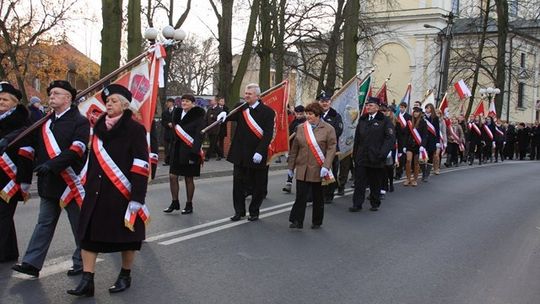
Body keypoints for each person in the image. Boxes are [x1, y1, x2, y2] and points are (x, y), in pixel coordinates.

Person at [67, 84, 149, 297]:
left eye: (113, 101)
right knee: (88, 236)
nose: (109, 104)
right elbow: (92, 160)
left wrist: (137, 198)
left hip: (122, 193)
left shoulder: (135, 129)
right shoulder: (98, 128)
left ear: (124, 104)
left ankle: (125, 274)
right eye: (107, 101)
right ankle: (87, 281)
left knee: (127, 238)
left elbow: (141, 164)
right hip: (96, 192)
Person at [12, 80, 89, 277]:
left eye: (56, 93)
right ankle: (32, 263)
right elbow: (31, 143)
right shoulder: (44, 122)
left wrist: (51, 165)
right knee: (44, 223)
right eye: (50, 93)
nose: (51, 96)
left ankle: (82, 262)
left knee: (78, 224)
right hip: (49, 183)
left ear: (68, 98)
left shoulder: (80, 121)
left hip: (70, 183)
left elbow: (77, 149)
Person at [219, 83, 275, 222]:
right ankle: (239, 211)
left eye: (249, 94)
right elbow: (229, 117)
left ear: (257, 96)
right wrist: (224, 113)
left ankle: (254, 211)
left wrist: (260, 152)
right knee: (238, 185)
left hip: (257, 154)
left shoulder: (268, 112)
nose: (246, 96)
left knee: (258, 186)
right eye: (245, 93)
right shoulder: (241, 108)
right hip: (240, 154)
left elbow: (268, 134)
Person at [288, 102, 336, 229]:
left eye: (311, 114)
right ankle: (297, 220)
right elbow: (295, 149)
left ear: (318, 115)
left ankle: (317, 221)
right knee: (300, 196)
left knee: (318, 197)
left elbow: (331, 149)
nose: (308, 116)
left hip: (318, 168)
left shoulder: (328, 129)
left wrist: (326, 166)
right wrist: (291, 167)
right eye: (307, 114)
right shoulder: (300, 128)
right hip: (302, 167)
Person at [0, 83, 33, 263]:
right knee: (4, 215)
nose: (1, 102)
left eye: (5, 99)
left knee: (2, 214)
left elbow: (27, 151)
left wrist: (24, 179)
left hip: (10, 177)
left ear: (14, 103)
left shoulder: (22, 122)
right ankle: (9, 252)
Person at [349, 97, 395, 212]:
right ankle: (357, 204)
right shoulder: (363, 119)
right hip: (362, 156)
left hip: (376, 157)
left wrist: (382, 154)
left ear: (377, 107)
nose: (368, 107)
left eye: (371, 105)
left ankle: (375, 202)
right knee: (359, 182)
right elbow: (357, 139)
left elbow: (390, 139)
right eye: (367, 105)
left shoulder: (384, 120)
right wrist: (355, 155)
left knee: (375, 182)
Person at [163, 94, 205, 214]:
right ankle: (174, 202)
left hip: (190, 151)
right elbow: (174, 134)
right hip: (176, 151)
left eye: (187, 101)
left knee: (188, 179)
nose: (184, 103)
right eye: (183, 101)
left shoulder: (198, 116)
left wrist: (195, 153)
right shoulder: (177, 114)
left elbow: (199, 136)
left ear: (193, 103)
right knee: (172, 176)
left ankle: (189, 204)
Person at [318, 91, 343, 204]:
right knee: (317, 172)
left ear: (330, 102)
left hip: (331, 149)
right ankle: (317, 194)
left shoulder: (335, 116)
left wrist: (323, 137)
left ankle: (329, 194)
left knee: (331, 171)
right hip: (317, 148)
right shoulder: (315, 114)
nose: (324, 103)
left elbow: (338, 131)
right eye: (322, 101)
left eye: (326, 101)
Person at [282, 105, 306, 193]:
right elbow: (289, 132)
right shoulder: (294, 122)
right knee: (291, 165)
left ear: (303, 113)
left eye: (301, 113)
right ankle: (288, 183)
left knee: (302, 166)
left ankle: (303, 185)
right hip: (293, 147)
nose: (299, 115)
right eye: (297, 113)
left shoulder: (306, 122)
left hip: (303, 147)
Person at [403, 106, 428, 186]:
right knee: (408, 160)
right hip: (410, 144)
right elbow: (406, 134)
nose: (416, 113)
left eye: (417, 112)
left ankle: (415, 179)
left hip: (418, 145)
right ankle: (408, 178)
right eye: (414, 112)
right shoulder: (409, 121)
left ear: (420, 113)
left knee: (416, 163)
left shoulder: (423, 122)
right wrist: (404, 145)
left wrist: (422, 146)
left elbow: (425, 135)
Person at [422, 104, 440, 181]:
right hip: (423, 140)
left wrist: (438, 141)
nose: (426, 109)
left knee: (430, 157)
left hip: (432, 140)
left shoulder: (435, 118)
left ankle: (427, 174)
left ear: (431, 109)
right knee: (422, 157)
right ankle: (423, 173)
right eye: (426, 108)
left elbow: (437, 130)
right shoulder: (422, 117)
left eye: (428, 108)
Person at [395, 101, 411, 180]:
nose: (401, 109)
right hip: (397, 137)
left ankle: (399, 172)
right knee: (396, 155)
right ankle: (396, 171)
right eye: (400, 107)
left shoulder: (408, 116)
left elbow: (410, 128)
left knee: (401, 156)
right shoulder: (396, 116)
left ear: (405, 108)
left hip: (404, 139)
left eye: (402, 107)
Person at [204, 96, 224, 161]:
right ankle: (221, 154)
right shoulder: (209, 109)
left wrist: (214, 116)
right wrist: (205, 126)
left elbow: (220, 119)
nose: (210, 101)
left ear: (215, 101)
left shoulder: (219, 110)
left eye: (212, 100)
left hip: (216, 129)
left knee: (212, 143)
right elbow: (206, 118)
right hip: (209, 129)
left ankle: (207, 157)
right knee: (214, 144)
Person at [160, 98, 175, 165]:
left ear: (172, 103)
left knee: (173, 147)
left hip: (174, 132)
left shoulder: (177, 111)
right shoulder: (164, 112)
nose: (167, 104)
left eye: (168, 102)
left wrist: (173, 124)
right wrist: (167, 124)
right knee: (166, 148)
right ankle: (167, 161)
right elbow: (163, 122)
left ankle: (172, 161)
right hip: (167, 132)